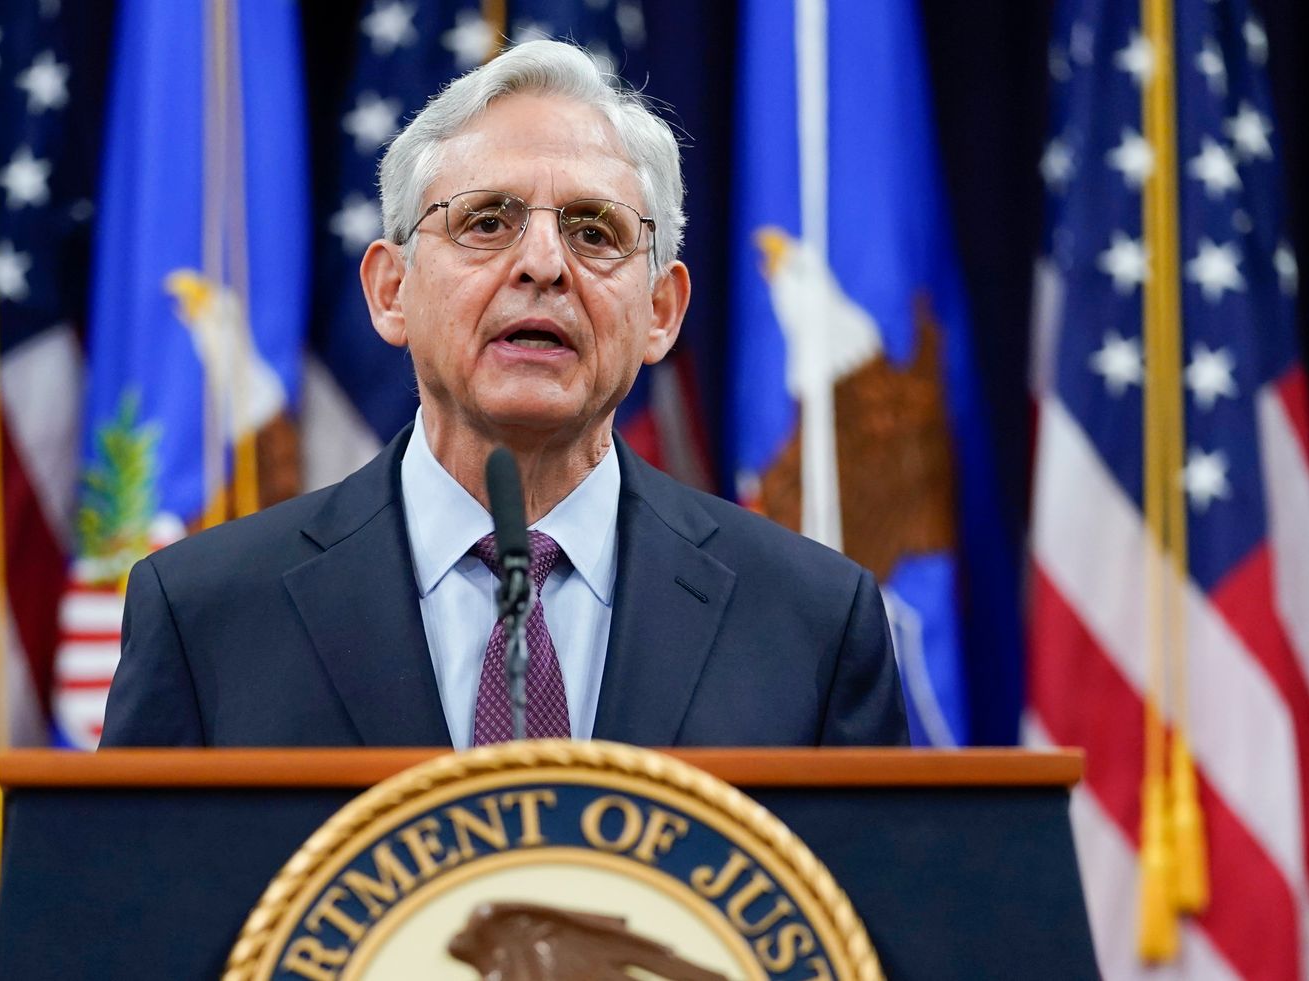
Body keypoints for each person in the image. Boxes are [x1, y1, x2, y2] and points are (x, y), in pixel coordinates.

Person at [100, 40, 906, 750]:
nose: (544, 264)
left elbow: (863, 923)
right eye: (487, 221)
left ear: (660, 312)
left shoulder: (813, 624)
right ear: (390, 292)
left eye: (596, 231)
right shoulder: (208, 616)